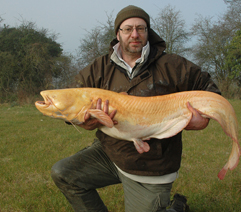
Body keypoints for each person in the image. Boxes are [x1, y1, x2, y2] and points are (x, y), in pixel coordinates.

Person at [51, 5, 221, 212]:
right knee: (64, 173)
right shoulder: (99, 68)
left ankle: (176, 208)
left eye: (141, 28)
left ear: (148, 32)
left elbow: (210, 90)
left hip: (153, 165)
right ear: (118, 33)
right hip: (111, 152)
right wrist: (81, 120)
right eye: (127, 29)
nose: (134, 34)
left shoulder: (172, 65)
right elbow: (73, 101)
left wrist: (202, 118)